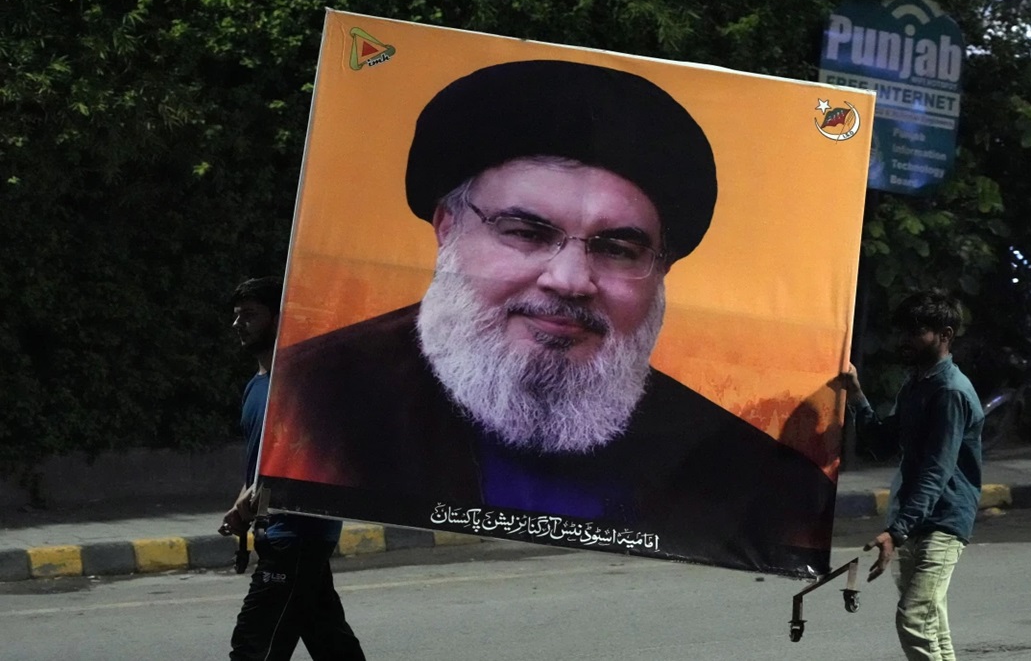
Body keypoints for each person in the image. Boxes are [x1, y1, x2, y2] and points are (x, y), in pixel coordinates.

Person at [262, 60, 836, 576]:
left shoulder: (745, 474)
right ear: (447, 228)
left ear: (660, 272)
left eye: (618, 249)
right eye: (525, 233)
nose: (570, 280)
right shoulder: (308, 402)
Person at [221, 276, 365, 661]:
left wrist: (260, 496)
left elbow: (324, 457)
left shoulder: (305, 384)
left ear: (277, 318)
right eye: (236, 315)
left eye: (249, 315)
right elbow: (262, 464)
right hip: (279, 534)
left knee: (253, 648)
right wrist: (241, 506)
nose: (238, 324)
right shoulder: (255, 387)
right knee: (331, 644)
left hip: (298, 535)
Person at [839, 289, 983, 661]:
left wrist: (898, 530)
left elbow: (937, 470)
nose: (905, 340)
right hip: (915, 517)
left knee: (914, 619)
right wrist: (855, 394)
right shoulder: (917, 384)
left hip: (943, 520)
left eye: (916, 332)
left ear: (945, 335)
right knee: (932, 625)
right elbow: (883, 443)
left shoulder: (949, 392)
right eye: (903, 331)